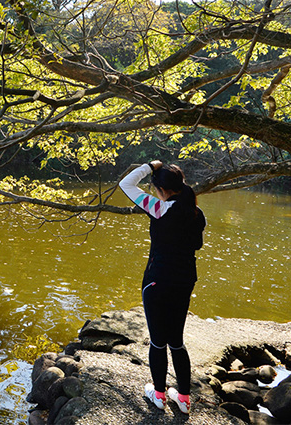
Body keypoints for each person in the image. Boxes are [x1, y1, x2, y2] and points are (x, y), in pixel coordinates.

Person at [119, 160, 206, 415]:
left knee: (158, 342)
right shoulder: (197, 213)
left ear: (161, 189)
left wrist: (150, 165)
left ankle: (158, 395)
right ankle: (184, 398)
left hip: (157, 282)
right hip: (184, 281)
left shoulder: (159, 208)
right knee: (176, 342)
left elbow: (126, 184)